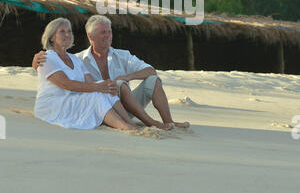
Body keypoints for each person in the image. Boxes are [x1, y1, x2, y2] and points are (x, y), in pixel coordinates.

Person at [33, 15, 190, 130]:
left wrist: (124, 78)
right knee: (110, 86)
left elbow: (151, 70)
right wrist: (35, 63)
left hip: (124, 105)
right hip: (98, 105)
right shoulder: (78, 58)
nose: (108, 36)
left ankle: (167, 122)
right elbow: (59, 78)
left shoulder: (121, 55)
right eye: (103, 32)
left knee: (148, 80)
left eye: (109, 32)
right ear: (90, 36)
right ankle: (133, 125)